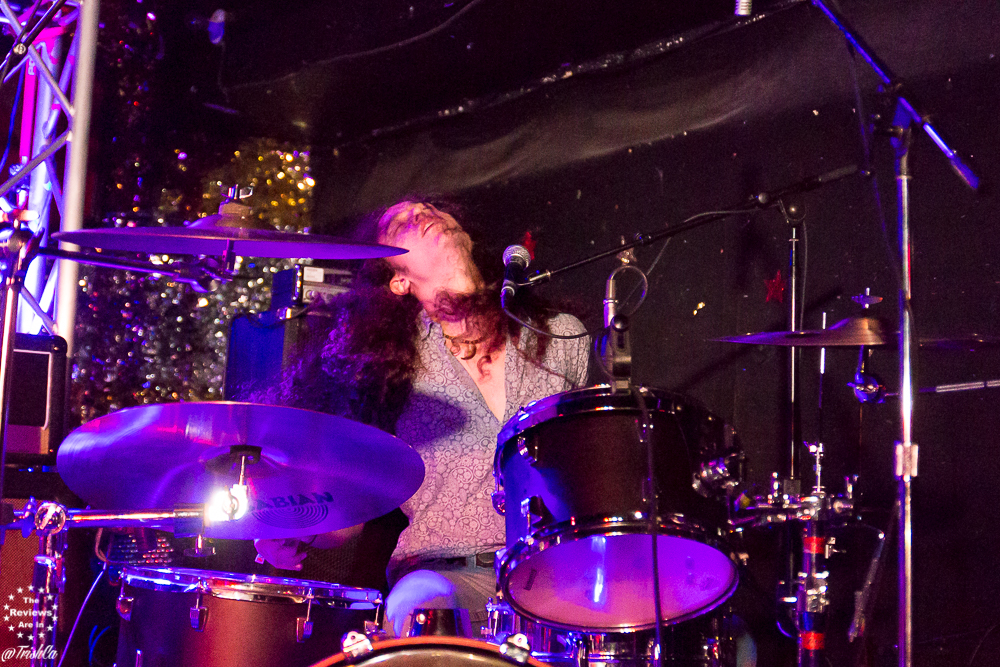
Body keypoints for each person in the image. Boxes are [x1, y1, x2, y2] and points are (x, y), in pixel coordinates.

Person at [254, 197, 590, 635]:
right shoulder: (386, 360)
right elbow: (357, 497)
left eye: (432, 209)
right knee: (422, 604)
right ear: (397, 280)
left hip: (556, 571)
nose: (425, 215)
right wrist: (294, 527)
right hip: (446, 573)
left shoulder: (561, 335)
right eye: (402, 224)